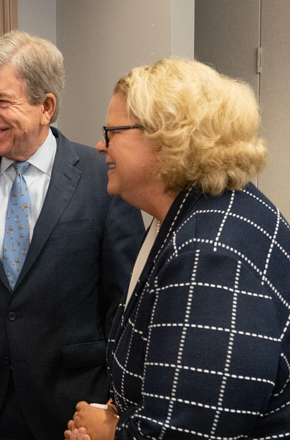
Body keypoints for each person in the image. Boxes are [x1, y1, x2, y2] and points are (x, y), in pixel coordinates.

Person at [0, 30, 145, 439]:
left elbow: (124, 304)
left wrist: (111, 401)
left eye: (1, 101)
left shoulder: (104, 179)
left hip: (75, 407)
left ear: (46, 106)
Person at [65, 58, 290, 439]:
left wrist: (109, 434)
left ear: (167, 138)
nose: (101, 145)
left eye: (112, 131)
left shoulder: (209, 257)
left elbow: (190, 431)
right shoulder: (210, 209)